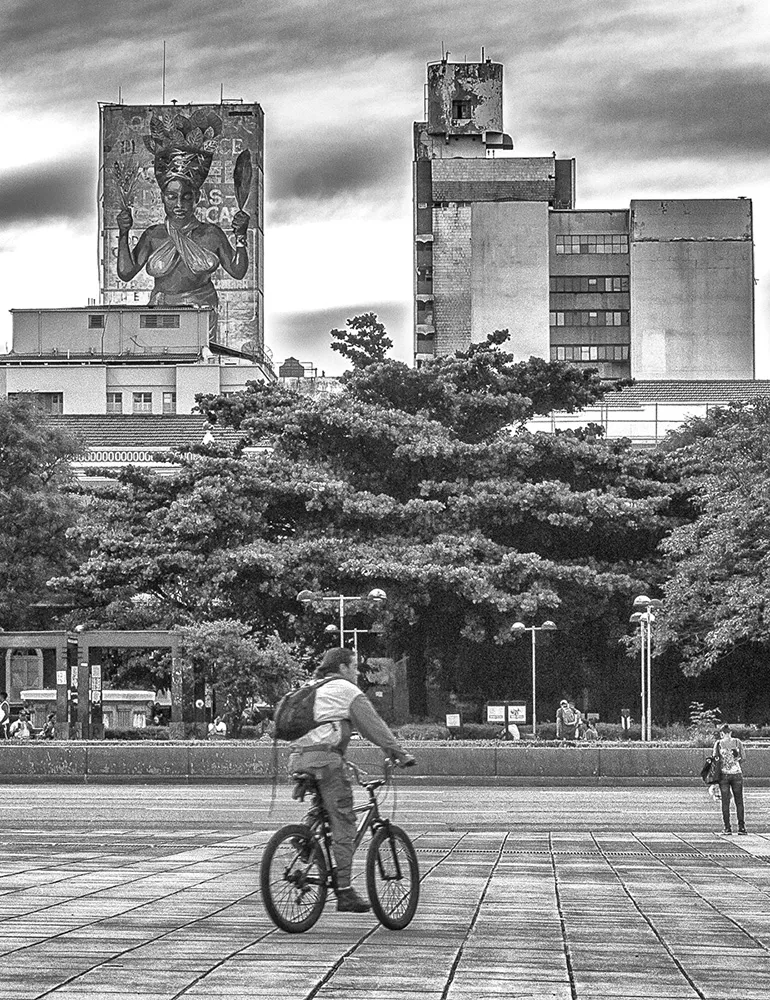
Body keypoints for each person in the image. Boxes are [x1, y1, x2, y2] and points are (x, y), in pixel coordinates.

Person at [288, 647, 415, 914]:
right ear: (343, 668)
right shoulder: (346, 690)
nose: (357, 672)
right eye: (354, 666)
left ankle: (306, 836)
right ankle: (344, 891)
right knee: (344, 822)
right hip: (326, 762)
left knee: (324, 807)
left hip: (299, 759)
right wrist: (398, 753)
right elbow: (373, 726)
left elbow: (320, 732)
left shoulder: (311, 687)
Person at [116, 119, 249, 339]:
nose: (179, 205)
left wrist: (241, 236)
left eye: (186, 197)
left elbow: (238, 272)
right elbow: (126, 273)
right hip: (160, 315)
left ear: (196, 198)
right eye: (172, 197)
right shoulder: (153, 235)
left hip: (201, 314)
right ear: (162, 198)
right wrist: (123, 233)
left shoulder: (211, 234)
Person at [713, 723, 747, 835]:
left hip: (724, 775)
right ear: (730, 732)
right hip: (737, 774)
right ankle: (741, 828)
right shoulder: (737, 742)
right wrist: (734, 763)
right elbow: (743, 758)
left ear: (721, 734)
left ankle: (727, 828)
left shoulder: (718, 743)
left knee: (725, 802)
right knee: (739, 801)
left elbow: (715, 760)